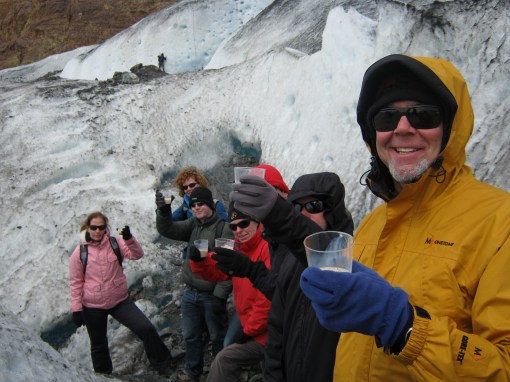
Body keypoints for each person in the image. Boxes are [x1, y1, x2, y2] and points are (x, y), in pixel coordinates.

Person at [242, 54, 509, 381]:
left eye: (423, 115)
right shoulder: (373, 225)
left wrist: (406, 329)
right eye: (386, 118)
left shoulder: (500, 223)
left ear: (450, 128)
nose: (402, 128)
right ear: (373, 135)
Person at [226, 172, 353, 381]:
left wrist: (282, 217)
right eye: (296, 208)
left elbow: (326, 263)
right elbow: (278, 319)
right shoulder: (289, 255)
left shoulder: (348, 258)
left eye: (313, 206)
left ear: (333, 210)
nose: (304, 213)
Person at [69, 211, 179, 375]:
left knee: (146, 328)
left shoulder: (116, 243)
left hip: (119, 301)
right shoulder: (80, 252)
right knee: (99, 345)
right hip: (93, 305)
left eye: (101, 227)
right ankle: (104, 375)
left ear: (106, 227)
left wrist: (129, 239)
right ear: (87, 228)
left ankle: (164, 364)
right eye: (94, 227)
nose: (98, 231)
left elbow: (137, 254)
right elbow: (76, 282)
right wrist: (77, 309)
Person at [156, 186, 233, 382]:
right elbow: (168, 229)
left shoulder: (224, 228)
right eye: (193, 204)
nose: (196, 207)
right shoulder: (193, 225)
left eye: (200, 204)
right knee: (191, 336)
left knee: (217, 337)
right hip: (190, 292)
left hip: (211, 294)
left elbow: (228, 266)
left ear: (210, 205)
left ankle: (220, 374)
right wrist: (164, 212)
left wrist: (220, 295)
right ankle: (193, 372)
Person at [189, 202, 271, 382]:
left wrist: (249, 331)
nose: (239, 230)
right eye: (233, 226)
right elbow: (218, 270)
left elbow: (267, 301)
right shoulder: (240, 248)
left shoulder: (267, 248)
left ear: (257, 221)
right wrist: (199, 261)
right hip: (247, 320)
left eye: (244, 224)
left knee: (226, 357)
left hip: (268, 330)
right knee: (228, 348)